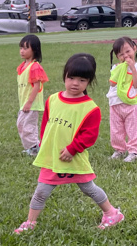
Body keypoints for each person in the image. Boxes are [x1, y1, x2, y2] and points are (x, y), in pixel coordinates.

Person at [14, 53, 124, 234]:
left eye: (82, 80)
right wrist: (44, 146)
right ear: (64, 76)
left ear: (89, 82)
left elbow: (89, 136)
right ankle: (30, 223)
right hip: (52, 159)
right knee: (41, 192)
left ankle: (112, 213)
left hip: (74, 159)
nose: (75, 83)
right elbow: (46, 126)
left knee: (89, 188)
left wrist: (73, 149)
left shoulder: (90, 108)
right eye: (71, 78)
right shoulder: (53, 99)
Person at [108, 36, 137, 162]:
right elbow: (112, 83)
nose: (125, 56)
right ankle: (119, 150)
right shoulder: (116, 67)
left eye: (128, 51)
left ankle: (133, 151)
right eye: (121, 54)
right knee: (116, 129)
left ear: (134, 49)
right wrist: (120, 69)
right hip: (115, 103)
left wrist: (132, 68)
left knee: (132, 128)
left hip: (130, 104)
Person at [16, 34, 49, 157]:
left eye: (26, 48)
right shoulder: (22, 66)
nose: (22, 51)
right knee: (21, 125)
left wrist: (29, 102)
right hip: (24, 103)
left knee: (28, 126)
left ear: (34, 49)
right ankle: (31, 147)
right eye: (21, 48)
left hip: (32, 104)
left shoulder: (35, 67)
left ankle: (35, 148)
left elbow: (36, 86)